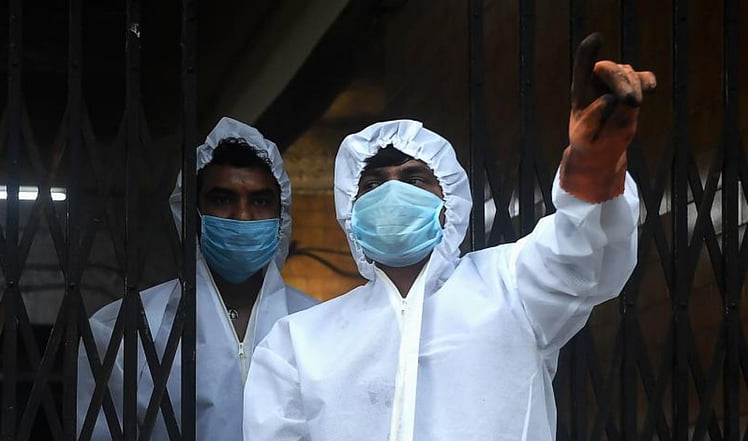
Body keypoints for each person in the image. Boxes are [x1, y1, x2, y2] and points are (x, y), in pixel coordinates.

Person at [242, 33, 656, 440]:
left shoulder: (512, 286)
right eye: (372, 185)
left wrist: (592, 167)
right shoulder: (297, 342)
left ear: (449, 201)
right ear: (348, 209)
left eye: (414, 179)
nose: (392, 193)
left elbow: (583, 249)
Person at [77, 117, 319, 440]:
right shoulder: (127, 331)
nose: (242, 216)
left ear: (281, 215)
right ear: (193, 213)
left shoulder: (318, 327)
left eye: (260, 201)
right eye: (223, 199)